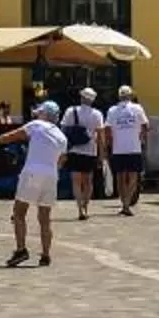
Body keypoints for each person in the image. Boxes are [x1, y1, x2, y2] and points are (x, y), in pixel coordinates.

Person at [0, 99, 71, 267]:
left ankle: (21, 249)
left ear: (45, 114)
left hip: (33, 171)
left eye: (40, 112)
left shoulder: (37, 125)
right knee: (45, 218)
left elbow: (14, 135)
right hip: (51, 175)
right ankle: (46, 254)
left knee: (19, 212)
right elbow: (62, 160)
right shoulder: (62, 136)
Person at [105, 84, 151, 215]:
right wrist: (141, 137)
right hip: (134, 147)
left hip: (118, 148)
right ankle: (126, 203)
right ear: (131, 95)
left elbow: (107, 129)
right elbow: (146, 125)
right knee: (133, 177)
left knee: (119, 177)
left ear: (119, 96)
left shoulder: (112, 110)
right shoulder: (137, 108)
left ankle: (124, 202)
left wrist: (110, 142)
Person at [63, 87, 106, 220]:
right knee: (88, 181)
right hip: (90, 151)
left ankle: (79, 208)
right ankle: (85, 206)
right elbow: (100, 136)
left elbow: (64, 130)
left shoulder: (71, 111)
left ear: (81, 98)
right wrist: (102, 154)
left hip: (74, 150)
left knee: (76, 181)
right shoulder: (97, 114)